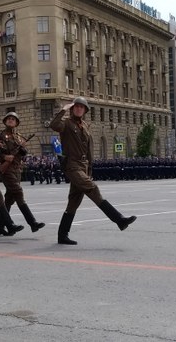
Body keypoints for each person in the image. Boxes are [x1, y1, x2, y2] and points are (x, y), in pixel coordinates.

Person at [50, 97, 137, 245]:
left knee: (73, 202)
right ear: (72, 109)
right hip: (72, 165)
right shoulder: (66, 124)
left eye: (81, 107)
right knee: (93, 189)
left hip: (83, 166)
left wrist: (90, 168)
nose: (78, 109)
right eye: (76, 107)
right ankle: (119, 219)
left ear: (85, 110)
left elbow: (89, 149)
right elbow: (54, 125)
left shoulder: (85, 125)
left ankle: (62, 235)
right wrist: (63, 109)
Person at [0, 112, 45, 232]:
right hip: (6, 169)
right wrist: (4, 157)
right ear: (5, 121)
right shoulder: (0, 135)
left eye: (13, 119)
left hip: (17, 169)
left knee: (9, 199)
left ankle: (0, 227)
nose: (11, 120)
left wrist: (23, 148)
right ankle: (32, 222)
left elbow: (24, 153)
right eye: (8, 119)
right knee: (18, 192)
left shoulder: (19, 137)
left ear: (17, 122)